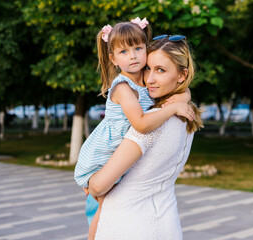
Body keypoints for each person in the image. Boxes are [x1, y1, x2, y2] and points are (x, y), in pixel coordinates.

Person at [74, 18, 195, 240]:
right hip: (100, 155)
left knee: (100, 205)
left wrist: (180, 100)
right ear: (113, 58)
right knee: (98, 207)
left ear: (182, 75)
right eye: (150, 68)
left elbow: (148, 120)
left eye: (138, 49)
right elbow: (143, 121)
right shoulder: (125, 88)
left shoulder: (154, 102)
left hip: (132, 223)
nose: (150, 77)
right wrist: (177, 104)